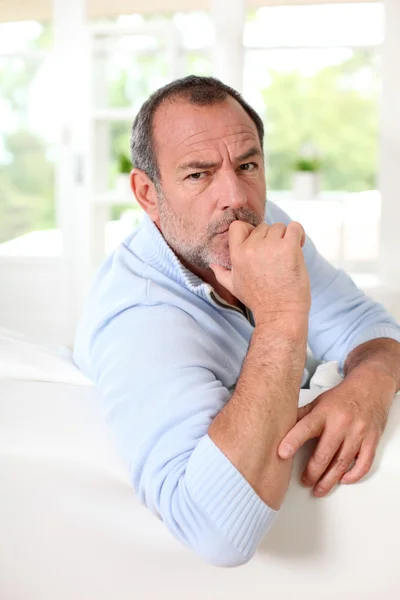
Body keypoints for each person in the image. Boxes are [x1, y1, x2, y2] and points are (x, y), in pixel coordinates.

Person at [73, 75, 400, 567]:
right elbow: (214, 532)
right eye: (198, 174)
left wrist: (370, 383)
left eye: (247, 165)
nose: (236, 197)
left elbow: (370, 327)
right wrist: (282, 319)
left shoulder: (258, 228)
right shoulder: (139, 321)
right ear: (147, 193)